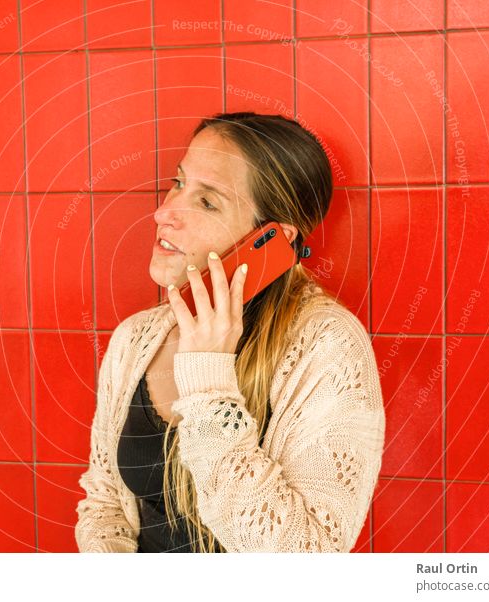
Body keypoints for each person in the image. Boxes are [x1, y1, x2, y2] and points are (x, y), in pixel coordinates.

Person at [75, 112, 385, 553]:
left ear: (272, 237)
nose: (163, 212)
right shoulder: (136, 338)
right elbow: (104, 502)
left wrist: (209, 382)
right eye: (179, 182)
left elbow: (307, 560)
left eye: (207, 201)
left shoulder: (328, 346)